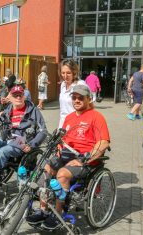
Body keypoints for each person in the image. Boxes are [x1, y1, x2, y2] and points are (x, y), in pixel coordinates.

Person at [28, 84, 110, 223]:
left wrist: (84, 160)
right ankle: (43, 210)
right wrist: (58, 148)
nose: (76, 100)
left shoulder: (97, 117)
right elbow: (63, 140)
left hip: (85, 159)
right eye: (74, 97)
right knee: (45, 168)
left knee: (62, 174)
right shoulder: (70, 117)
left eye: (80, 98)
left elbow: (103, 143)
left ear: (89, 99)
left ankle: (58, 214)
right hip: (66, 156)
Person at [0, 85, 47, 196]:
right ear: (11, 98)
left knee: (2, 152)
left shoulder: (33, 111)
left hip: (22, 143)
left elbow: (43, 131)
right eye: (15, 95)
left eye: (20, 95)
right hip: (6, 139)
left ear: (24, 96)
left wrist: (32, 144)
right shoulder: (8, 110)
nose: (18, 97)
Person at [58, 59, 88, 128]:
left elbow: (89, 104)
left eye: (68, 73)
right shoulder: (63, 85)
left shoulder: (80, 84)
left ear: (74, 72)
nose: (65, 76)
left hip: (76, 124)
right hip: (63, 123)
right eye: (63, 73)